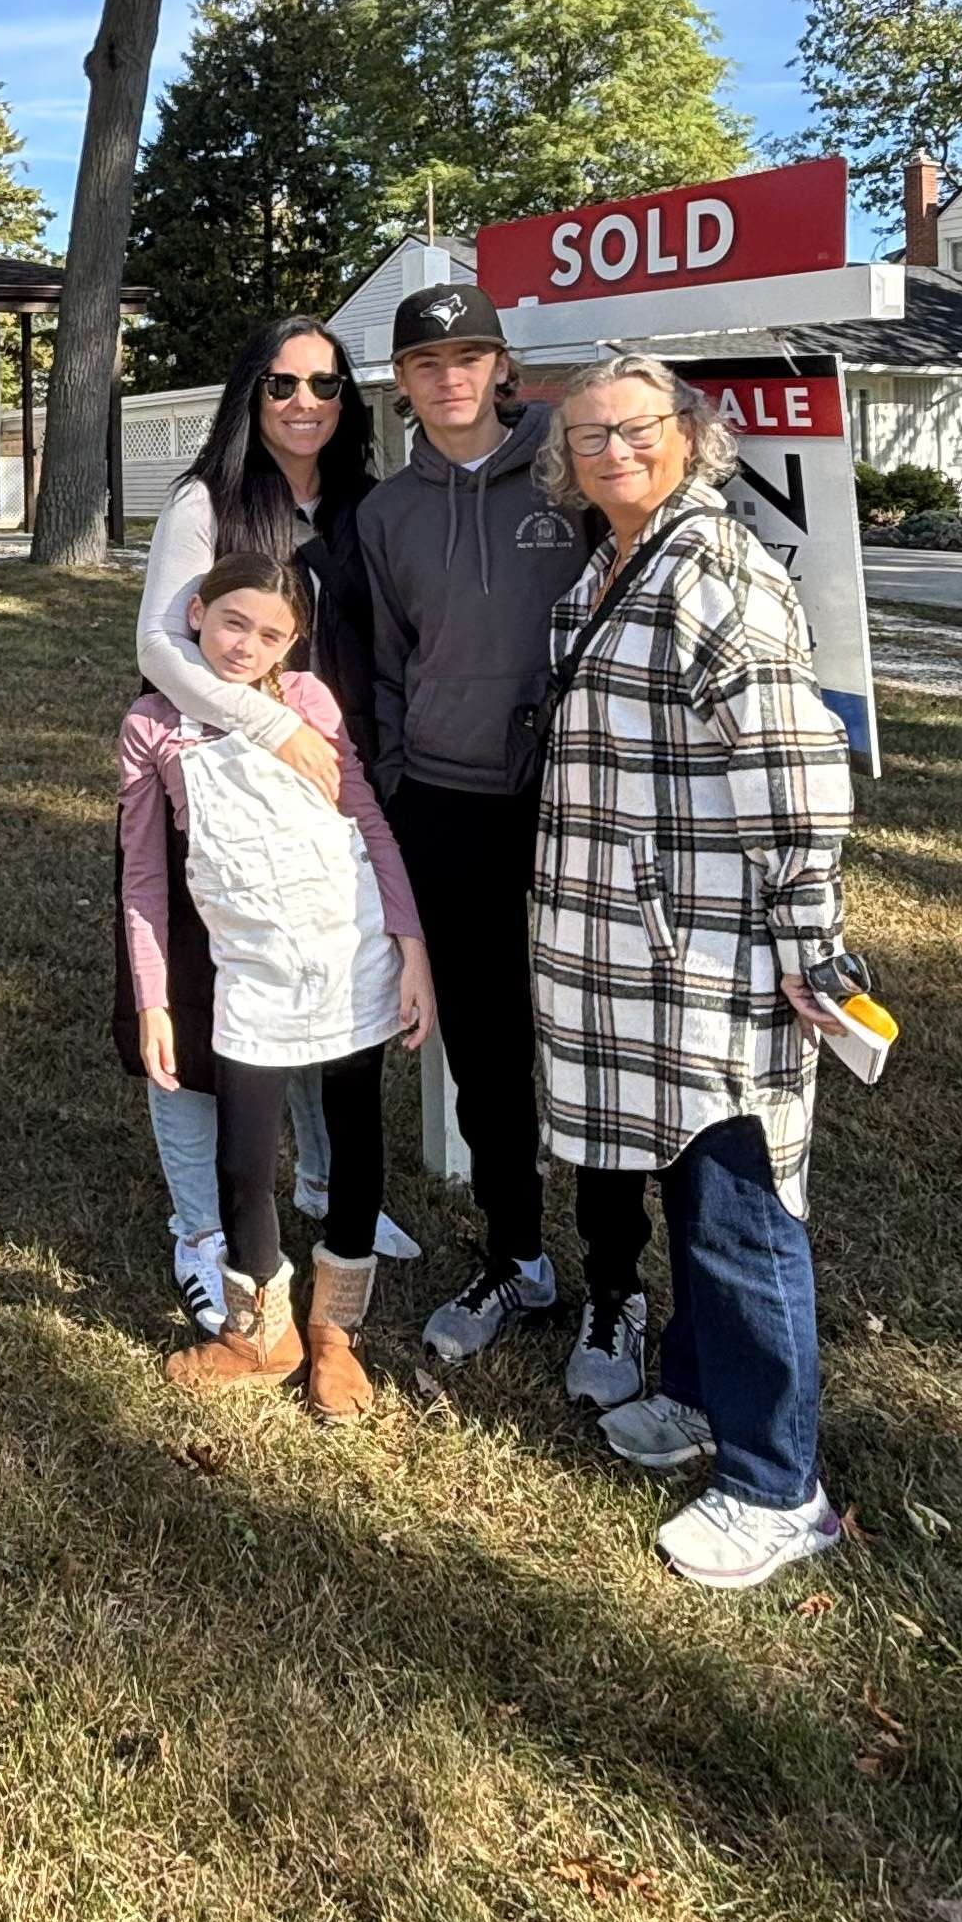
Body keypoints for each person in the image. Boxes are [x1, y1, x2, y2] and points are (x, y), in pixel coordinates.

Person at [528, 354, 860, 1589]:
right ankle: (696, 1395)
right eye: (589, 437)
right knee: (687, 1188)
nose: (612, 449)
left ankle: (782, 1486)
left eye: (636, 428)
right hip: (635, 953)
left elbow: (791, 761)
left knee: (740, 1207)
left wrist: (807, 933)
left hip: (718, 950)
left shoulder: (715, 566)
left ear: (690, 435)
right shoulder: (618, 562)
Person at [356, 282, 643, 1400]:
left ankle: (618, 1282)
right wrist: (392, 783)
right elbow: (382, 668)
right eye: (427, 363)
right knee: (483, 1048)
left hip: (568, 800)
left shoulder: (566, 472)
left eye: (468, 356)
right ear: (404, 384)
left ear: (501, 365)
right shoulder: (386, 516)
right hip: (443, 800)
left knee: (594, 1042)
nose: (449, 378)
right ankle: (517, 1258)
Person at [116, 314, 412, 1328]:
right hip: (210, 792)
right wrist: (263, 722)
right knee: (199, 1013)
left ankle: (331, 1195)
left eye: (325, 387)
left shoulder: (363, 508)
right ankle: (199, 1231)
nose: (304, 404)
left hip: (325, 804)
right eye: (283, 384)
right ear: (252, 393)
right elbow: (161, 645)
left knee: (324, 991)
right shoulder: (206, 503)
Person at [120, 551, 433, 1420]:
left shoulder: (309, 706)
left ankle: (335, 1336)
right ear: (195, 617)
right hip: (247, 974)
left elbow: (364, 819)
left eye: (270, 634)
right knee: (242, 1162)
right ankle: (261, 1333)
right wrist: (153, 996)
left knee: (354, 1143)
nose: (244, 646)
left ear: (292, 645)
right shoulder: (154, 726)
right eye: (232, 623)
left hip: (350, 958)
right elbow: (143, 878)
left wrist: (411, 948)